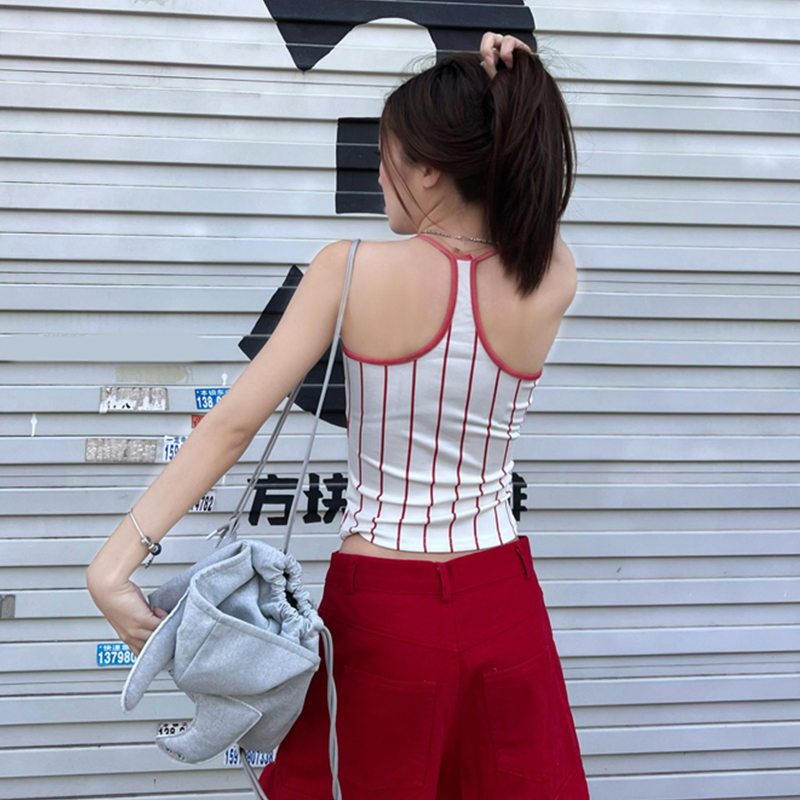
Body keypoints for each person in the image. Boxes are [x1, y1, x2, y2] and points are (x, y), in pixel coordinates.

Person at [86, 30, 588, 800]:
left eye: (387, 154)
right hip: (505, 602)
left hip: (385, 612)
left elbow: (233, 424)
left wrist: (112, 566)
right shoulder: (552, 271)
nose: (378, 173)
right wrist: (512, 83)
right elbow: (523, 194)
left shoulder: (350, 268)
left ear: (430, 168)